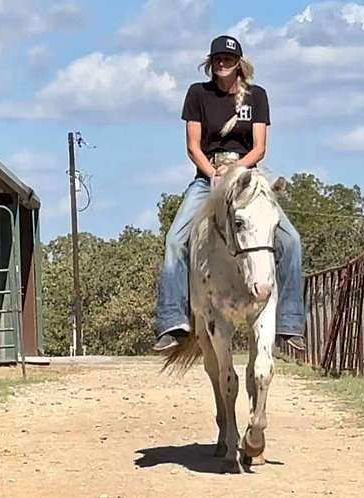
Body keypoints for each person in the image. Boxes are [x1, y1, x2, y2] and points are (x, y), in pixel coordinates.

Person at [153, 35, 305, 353]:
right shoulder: (198, 94)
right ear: (210, 63)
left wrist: (236, 172)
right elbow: (193, 146)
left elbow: (260, 147)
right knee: (175, 240)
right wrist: (213, 174)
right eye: (218, 58)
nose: (223, 63)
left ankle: (290, 322)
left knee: (291, 240)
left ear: (239, 63)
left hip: (247, 174)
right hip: (207, 176)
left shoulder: (257, 96)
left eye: (229, 58)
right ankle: (172, 320)